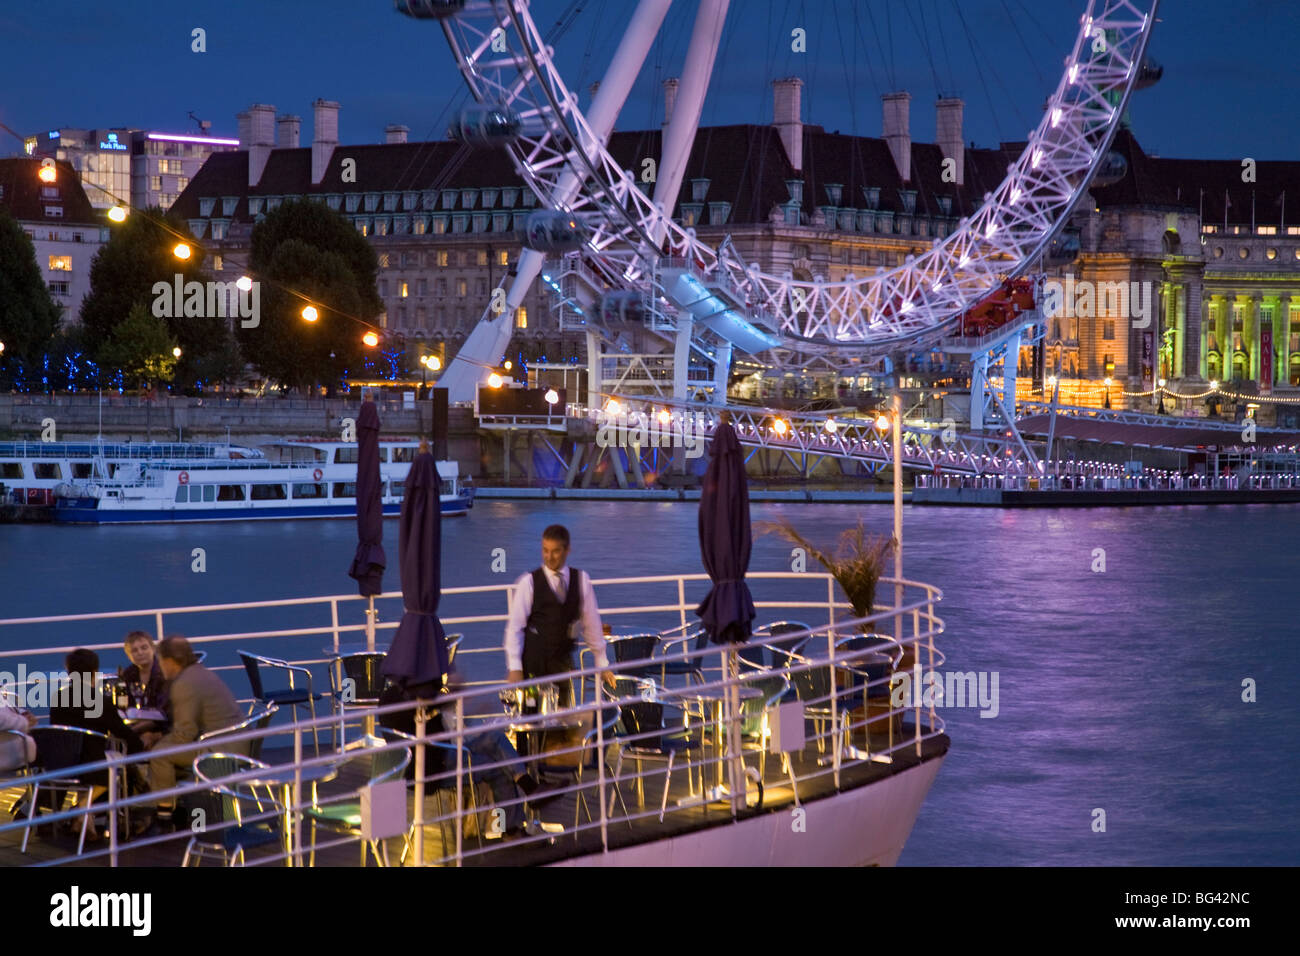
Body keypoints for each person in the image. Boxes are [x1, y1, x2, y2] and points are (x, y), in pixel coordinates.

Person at [504, 524, 613, 703]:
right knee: (532, 716)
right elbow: (515, 627)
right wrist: (515, 666)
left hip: (562, 662)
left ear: (567, 550)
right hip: (533, 663)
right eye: (545, 550)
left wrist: (602, 662)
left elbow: (591, 623)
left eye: (555, 551)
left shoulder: (582, 580)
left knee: (563, 718)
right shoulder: (528, 583)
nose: (549, 557)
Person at [144, 636, 243, 831]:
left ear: (169, 661)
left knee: (158, 756)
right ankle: (181, 806)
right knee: (164, 749)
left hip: (220, 750)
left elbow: (184, 734)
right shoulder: (200, 673)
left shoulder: (184, 684)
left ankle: (164, 817)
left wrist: (156, 740)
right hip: (237, 741)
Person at [50, 649, 147, 840]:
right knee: (117, 766)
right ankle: (80, 809)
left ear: (68, 670)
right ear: (94, 672)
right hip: (93, 765)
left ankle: (86, 824)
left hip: (63, 761)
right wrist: (141, 747)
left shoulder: (58, 698)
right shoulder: (98, 701)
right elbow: (122, 732)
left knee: (90, 757)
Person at [119, 630, 169, 717]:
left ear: (153, 649)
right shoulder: (127, 674)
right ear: (128, 656)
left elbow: (166, 711)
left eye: (144, 648)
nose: (140, 653)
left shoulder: (166, 671)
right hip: (135, 722)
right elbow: (123, 706)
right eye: (134, 650)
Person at [0, 699, 37, 774]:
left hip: (16, 745)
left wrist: (22, 713)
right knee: (53, 743)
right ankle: (60, 779)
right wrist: (24, 721)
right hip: (11, 752)